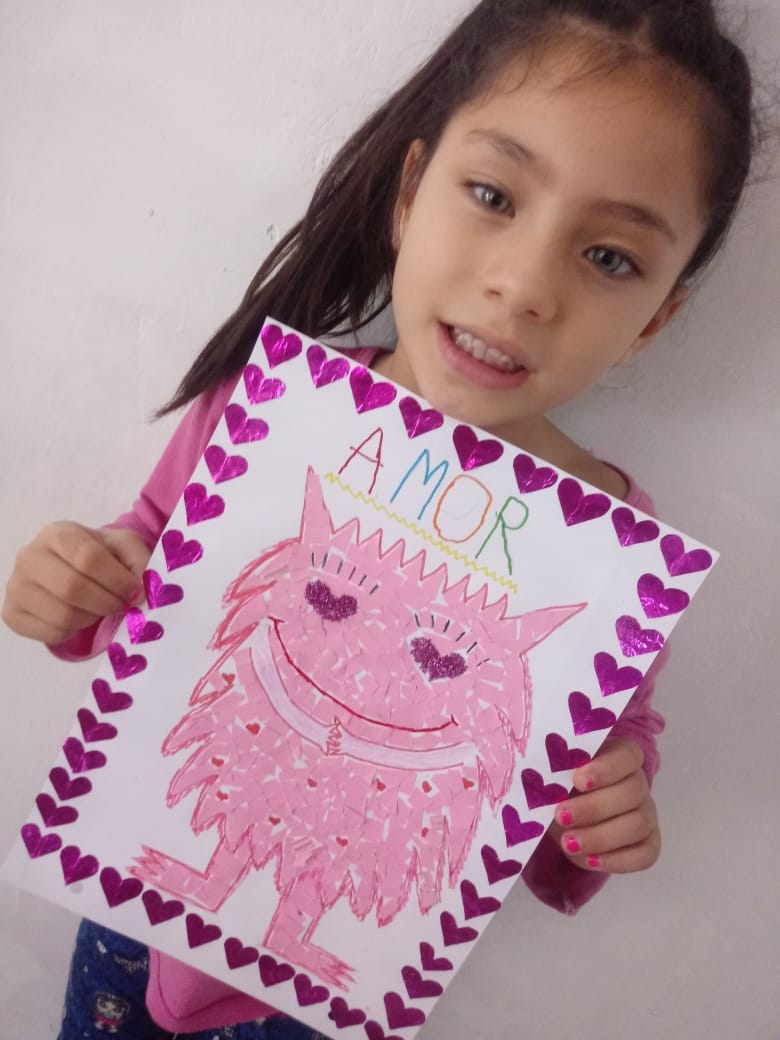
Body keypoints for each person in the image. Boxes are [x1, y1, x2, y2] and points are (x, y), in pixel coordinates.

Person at [2, 0, 759, 1038]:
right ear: (410, 195)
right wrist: (78, 581)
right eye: (493, 195)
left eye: (611, 258)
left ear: (654, 320)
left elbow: (598, 745)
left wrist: (606, 805)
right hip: (144, 902)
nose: (522, 285)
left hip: (324, 992)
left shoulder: (607, 550)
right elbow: (144, 562)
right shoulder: (264, 415)